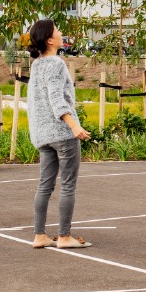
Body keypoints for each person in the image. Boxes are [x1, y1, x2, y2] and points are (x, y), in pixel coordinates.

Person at [27, 19, 92, 250]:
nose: (61, 32)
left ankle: (39, 235)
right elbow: (57, 98)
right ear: (50, 40)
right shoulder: (56, 63)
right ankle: (64, 237)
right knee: (68, 185)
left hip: (43, 135)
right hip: (62, 133)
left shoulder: (36, 64)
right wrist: (73, 126)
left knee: (44, 185)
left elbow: (36, 102)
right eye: (57, 30)